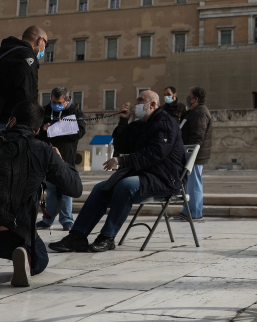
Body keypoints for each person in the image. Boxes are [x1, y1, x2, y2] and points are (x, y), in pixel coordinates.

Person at [0, 101, 82, 286]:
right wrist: (62, 162)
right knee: (41, 258)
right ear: (37, 130)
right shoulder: (42, 149)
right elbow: (75, 188)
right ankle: (25, 254)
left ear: (12, 121)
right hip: (9, 235)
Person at [49, 90, 184, 253]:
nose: (136, 104)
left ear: (153, 104)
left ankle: (107, 237)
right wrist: (123, 120)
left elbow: (156, 153)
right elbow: (122, 145)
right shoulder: (141, 124)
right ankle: (77, 236)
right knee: (100, 188)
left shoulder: (165, 123)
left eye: (140, 100)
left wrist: (123, 160)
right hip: (143, 174)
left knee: (125, 186)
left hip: (164, 177)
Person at [36, 87, 86, 231]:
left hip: (66, 158)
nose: (55, 104)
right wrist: (44, 129)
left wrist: (63, 127)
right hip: (48, 157)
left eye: (59, 102)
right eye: (53, 101)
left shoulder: (75, 112)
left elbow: (80, 131)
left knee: (66, 190)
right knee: (51, 190)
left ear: (66, 101)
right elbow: (36, 132)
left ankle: (67, 220)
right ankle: (48, 219)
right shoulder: (45, 111)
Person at [0, 25, 48, 133]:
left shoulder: (4, 53)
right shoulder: (27, 56)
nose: (44, 49)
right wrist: (33, 122)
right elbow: (26, 93)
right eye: (46, 44)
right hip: (15, 124)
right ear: (40, 41)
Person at [175, 86, 212, 222]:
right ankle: (187, 212)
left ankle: (195, 214)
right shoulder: (193, 112)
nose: (187, 99)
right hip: (188, 154)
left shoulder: (200, 113)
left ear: (196, 99)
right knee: (188, 185)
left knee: (194, 184)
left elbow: (198, 135)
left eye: (189, 97)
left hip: (195, 156)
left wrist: (190, 151)